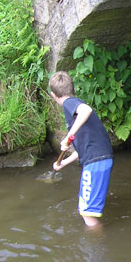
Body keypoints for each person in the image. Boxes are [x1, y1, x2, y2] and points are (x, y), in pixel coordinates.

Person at [49, 71, 114, 230]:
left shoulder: (69, 103)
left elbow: (86, 110)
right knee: (87, 211)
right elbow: (84, 149)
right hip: (99, 158)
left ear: (53, 95)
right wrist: (64, 162)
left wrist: (67, 137)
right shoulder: (75, 108)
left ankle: (97, 249)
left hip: (96, 161)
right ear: (73, 87)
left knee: (87, 213)